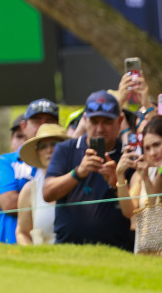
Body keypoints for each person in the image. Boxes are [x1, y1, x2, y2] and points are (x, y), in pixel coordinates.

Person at [43, 90, 133, 251]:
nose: (100, 128)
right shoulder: (66, 149)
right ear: (84, 120)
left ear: (119, 122)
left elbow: (136, 208)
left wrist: (116, 183)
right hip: (68, 249)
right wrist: (77, 173)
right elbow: (48, 193)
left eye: (107, 121)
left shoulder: (127, 154)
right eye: (94, 121)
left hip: (118, 250)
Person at [0, 98, 59, 243]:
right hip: (12, 248)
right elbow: (8, 203)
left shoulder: (65, 162)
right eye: (37, 120)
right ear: (23, 126)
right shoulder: (6, 162)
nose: (43, 126)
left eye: (49, 120)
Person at [116, 117, 162, 257]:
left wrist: (148, 179)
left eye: (157, 145)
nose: (152, 153)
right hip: (145, 253)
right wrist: (120, 176)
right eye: (147, 148)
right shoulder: (141, 174)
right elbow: (129, 212)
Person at [16, 124, 69, 245]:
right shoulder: (30, 189)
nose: (49, 150)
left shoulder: (80, 182)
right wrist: (33, 257)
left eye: (54, 144)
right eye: (43, 146)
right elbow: (22, 232)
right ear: (38, 154)